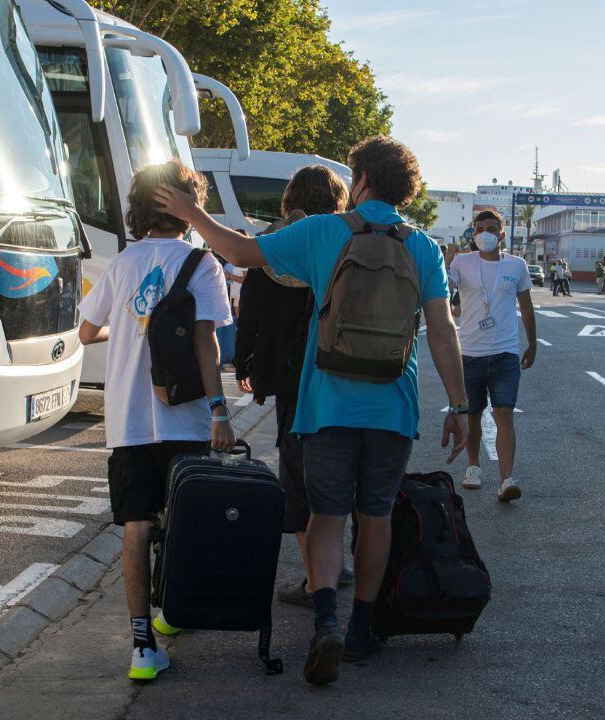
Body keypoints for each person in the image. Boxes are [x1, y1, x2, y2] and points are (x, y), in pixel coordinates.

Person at [155, 136, 469, 687]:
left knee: (326, 515)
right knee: (374, 518)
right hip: (393, 405)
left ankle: (326, 619)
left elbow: (240, 252)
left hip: (325, 404)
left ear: (365, 180)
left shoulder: (326, 231)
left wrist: (190, 211)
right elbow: (442, 332)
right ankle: (363, 629)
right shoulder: (422, 247)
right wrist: (460, 405)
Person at [78, 160, 235, 682]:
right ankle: (172, 613)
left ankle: (141, 647)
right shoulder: (201, 264)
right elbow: (205, 342)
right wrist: (219, 411)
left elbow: (86, 332)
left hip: (128, 421)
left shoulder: (122, 264)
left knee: (136, 525)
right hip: (187, 418)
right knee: (186, 520)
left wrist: (124, 332)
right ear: (187, 207)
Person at [232, 165, 351, 609]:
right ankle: (336, 560)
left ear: (291, 197)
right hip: (338, 371)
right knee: (337, 462)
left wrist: (244, 360)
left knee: (296, 470)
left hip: (289, 375)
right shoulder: (343, 241)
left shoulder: (275, 242)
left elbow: (253, 308)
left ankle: (312, 576)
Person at [444, 210, 537, 502]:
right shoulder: (462, 262)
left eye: (491, 228)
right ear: (473, 235)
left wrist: (532, 343)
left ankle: (507, 479)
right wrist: (447, 256)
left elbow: (527, 305)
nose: (485, 233)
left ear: (502, 234)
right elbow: (442, 290)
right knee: (472, 417)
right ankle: (473, 468)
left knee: (504, 414)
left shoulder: (517, 265)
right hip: (469, 353)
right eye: (480, 229)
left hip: (505, 353)